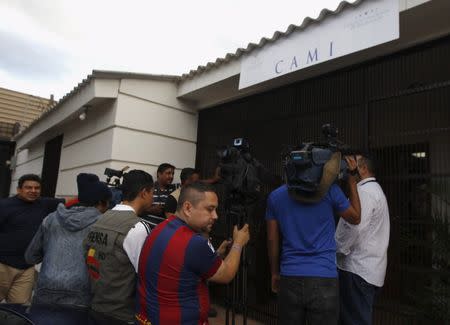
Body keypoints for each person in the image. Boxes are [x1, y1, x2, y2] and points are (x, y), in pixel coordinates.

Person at [136, 182, 250, 325]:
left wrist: (216, 255)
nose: (215, 216)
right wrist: (238, 243)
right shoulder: (193, 242)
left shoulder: (160, 228)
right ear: (188, 208)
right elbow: (226, 275)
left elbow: (183, 267)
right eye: (210, 209)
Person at [266, 154, 361, 325]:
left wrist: (274, 272)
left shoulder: (275, 197)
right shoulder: (330, 191)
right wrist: (352, 181)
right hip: (325, 277)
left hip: (290, 276)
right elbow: (355, 218)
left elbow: (272, 240)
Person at [24, 173, 111, 307]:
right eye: (108, 204)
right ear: (101, 203)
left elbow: (31, 257)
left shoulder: (51, 219)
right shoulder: (102, 225)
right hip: (80, 296)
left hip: (45, 291)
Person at [83, 170, 154, 324]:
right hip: (121, 314)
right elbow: (146, 275)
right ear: (144, 192)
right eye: (152, 193)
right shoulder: (138, 226)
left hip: (95, 307)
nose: (153, 198)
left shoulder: (100, 219)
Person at [335, 154, 390, 325]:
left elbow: (354, 227)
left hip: (357, 270)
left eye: (354, 164)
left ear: (364, 168)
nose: (348, 167)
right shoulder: (375, 190)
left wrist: (336, 250)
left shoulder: (364, 192)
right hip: (369, 270)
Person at [0, 174, 64, 304]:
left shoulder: (44, 204)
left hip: (27, 268)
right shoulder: (4, 206)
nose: (33, 191)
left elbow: (71, 202)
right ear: (19, 189)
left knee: (19, 310)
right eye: (28, 187)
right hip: (2, 265)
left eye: (37, 188)